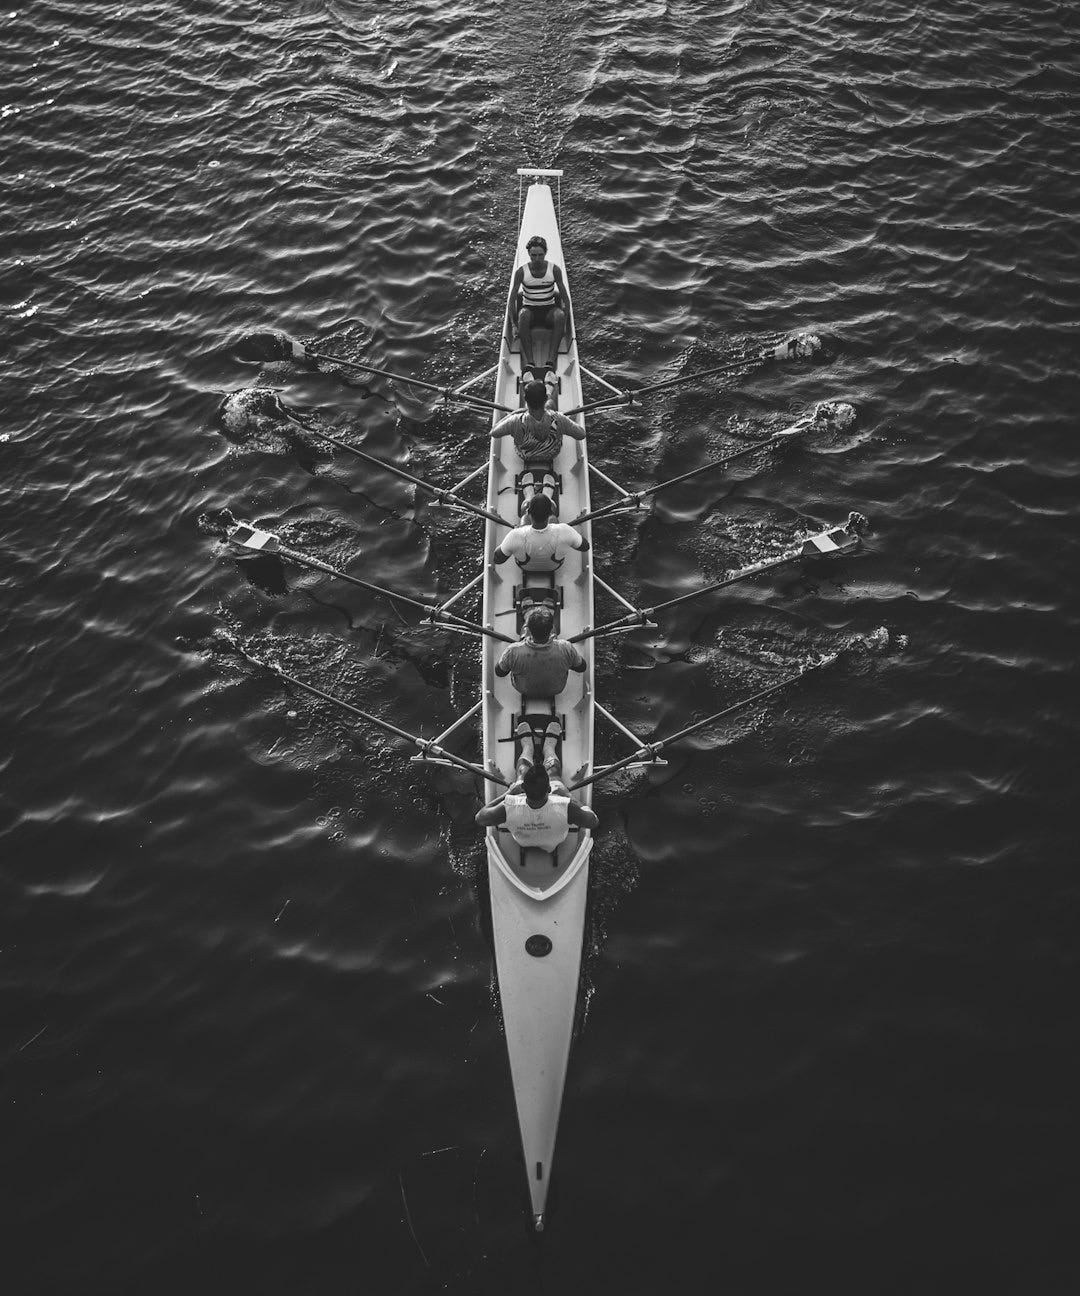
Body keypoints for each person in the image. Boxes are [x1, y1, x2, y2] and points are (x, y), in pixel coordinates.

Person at [475, 720, 598, 848]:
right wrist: (567, 794)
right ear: (549, 789)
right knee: (553, 774)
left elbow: (480, 818)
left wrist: (509, 792)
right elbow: (593, 821)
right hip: (554, 843)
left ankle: (528, 747)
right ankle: (548, 748)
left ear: (523, 788)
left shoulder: (509, 805)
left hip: (523, 842)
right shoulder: (565, 806)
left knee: (522, 772)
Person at [490, 380, 585, 508]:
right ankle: (550, 388)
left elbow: (493, 432)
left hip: (525, 455)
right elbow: (581, 434)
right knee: (551, 404)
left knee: (547, 407)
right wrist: (564, 420)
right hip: (552, 454)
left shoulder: (515, 420)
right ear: (544, 398)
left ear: (525, 399)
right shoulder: (558, 419)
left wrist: (514, 413)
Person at [507, 235, 568, 375]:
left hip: (549, 311)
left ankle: (550, 362)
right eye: (533, 255)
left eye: (540, 255)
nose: (537, 259)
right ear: (528, 254)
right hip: (530, 310)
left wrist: (565, 324)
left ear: (545, 253)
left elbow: (565, 299)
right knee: (522, 315)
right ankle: (529, 362)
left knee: (559, 315)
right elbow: (511, 300)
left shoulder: (555, 270)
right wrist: (514, 325)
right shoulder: (521, 272)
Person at [495, 606, 586, 698]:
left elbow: (500, 672)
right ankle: (547, 607)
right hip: (556, 689)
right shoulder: (566, 647)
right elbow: (582, 667)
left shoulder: (512, 651)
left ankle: (527, 611)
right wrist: (567, 662)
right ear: (551, 629)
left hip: (523, 689)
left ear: (529, 629)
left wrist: (509, 659)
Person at [494, 493, 589, 566]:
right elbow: (585, 547)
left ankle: (529, 495)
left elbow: (497, 560)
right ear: (550, 513)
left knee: (524, 520)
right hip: (554, 566)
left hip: (525, 566)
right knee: (554, 520)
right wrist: (570, 535)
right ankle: (548, 494)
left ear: (528, 512)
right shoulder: (565, 530)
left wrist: (515, 533)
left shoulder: (515, 535)